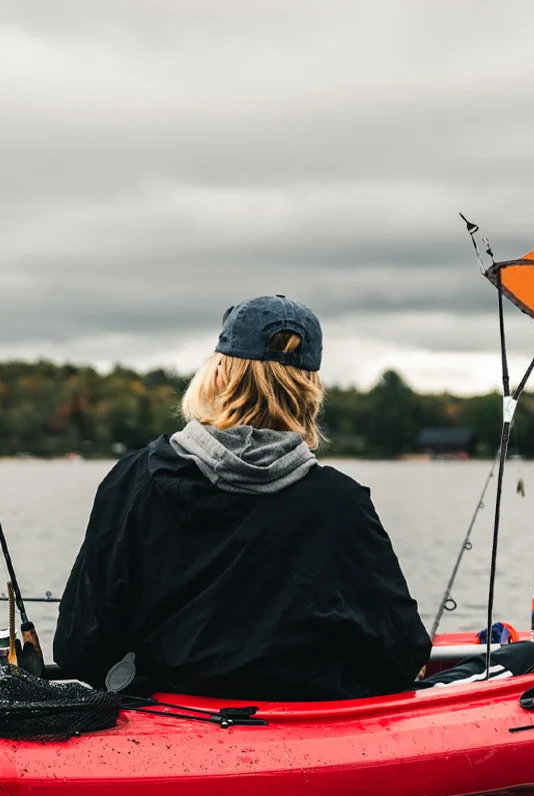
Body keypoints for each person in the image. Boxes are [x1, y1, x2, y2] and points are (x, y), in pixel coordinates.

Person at [53, 295, 431, 700]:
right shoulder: (341, 505)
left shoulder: (132, 481)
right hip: (305, 735)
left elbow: (79, 649)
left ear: (216, 375)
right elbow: (401, 655)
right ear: (310, 390)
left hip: (163, 725)